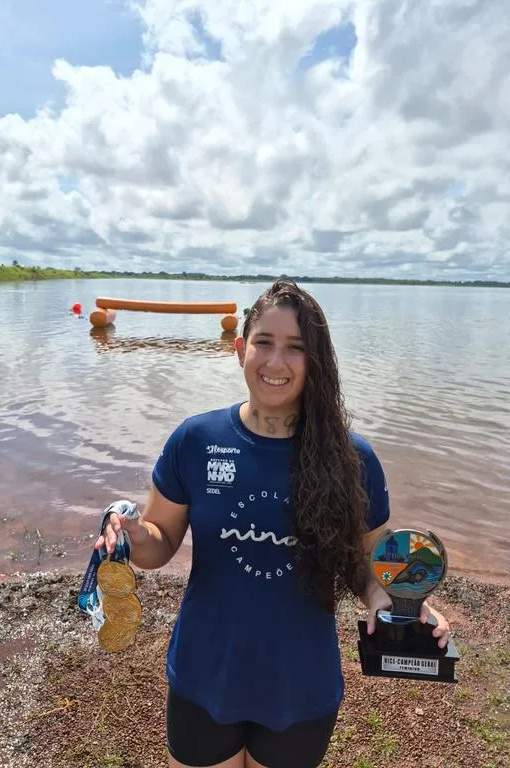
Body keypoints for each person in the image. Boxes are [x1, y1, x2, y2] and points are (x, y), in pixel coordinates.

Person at [96, 278, 450, 768]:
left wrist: (399, 603)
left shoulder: (353, 459)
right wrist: (134, 535)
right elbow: (159, 545)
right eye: (264, 342)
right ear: (240, 348)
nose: (276, 362)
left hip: (300, 683)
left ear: (317, 361)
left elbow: (371, 565)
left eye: (296, 348)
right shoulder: (196, 440)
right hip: (206, 669)